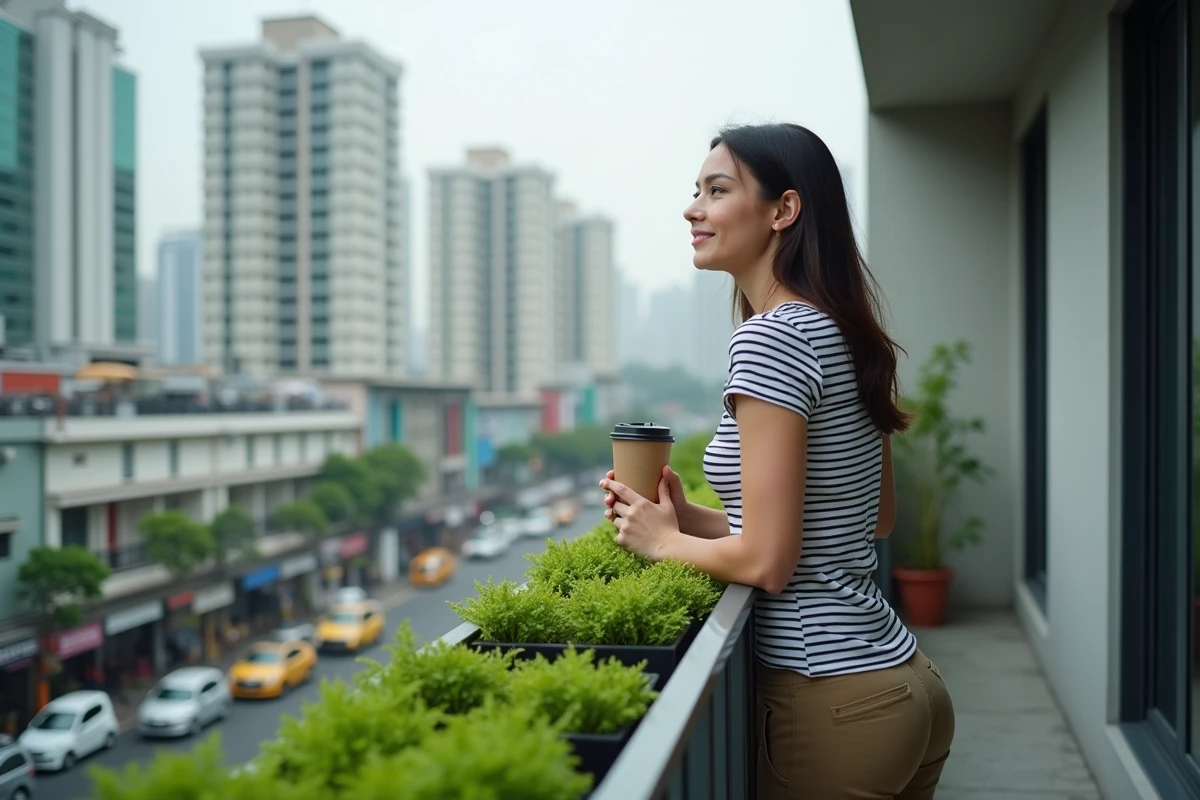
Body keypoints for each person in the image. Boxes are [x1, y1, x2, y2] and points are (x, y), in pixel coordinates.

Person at [601, 123, 955, 799]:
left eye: (716, 189)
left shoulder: (770, 340)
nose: (692, 208)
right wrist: (690, 518)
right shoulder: (843, 329)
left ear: (782, 211)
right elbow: (869, 519)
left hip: (832, 701)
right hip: (907, 685)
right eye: (694, 191)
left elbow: (768, 562)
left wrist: (660, 541)